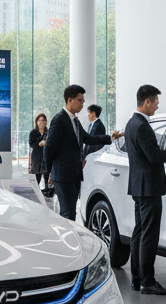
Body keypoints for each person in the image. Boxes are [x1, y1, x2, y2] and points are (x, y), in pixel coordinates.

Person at [124, 84, 166, 295]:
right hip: (149, 188)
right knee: (148, 235)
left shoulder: (131, 123)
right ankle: (148, 282)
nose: (158, 106)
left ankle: (137, 279)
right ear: (147, 101)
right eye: (156, 102)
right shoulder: (142, 126)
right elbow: (154, 156)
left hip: (139, 186)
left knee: (139, 233)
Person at [43, 84, 122, 222]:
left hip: (73, 174)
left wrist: (110, 138)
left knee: (70, 213)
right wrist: (49, 171)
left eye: (83, 100)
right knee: (67, 214)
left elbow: (88, 138)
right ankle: (65, 236)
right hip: (62, 175)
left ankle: (68, 235)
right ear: (70, 100)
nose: (82, 103)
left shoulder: (74, 120)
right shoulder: (59, 119)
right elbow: (49, 147)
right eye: (79, 100)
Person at [29, 113, 53, 195]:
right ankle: (35, 193)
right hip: (36, 158)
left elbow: (52, 144)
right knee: (37, 176)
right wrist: (39, 143)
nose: (41, 122)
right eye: (39, 121)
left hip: (46, 157)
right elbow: (31, 144)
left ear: (46, 122)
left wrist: (46, 143)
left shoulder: (49, 132)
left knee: (46, 175)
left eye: (43, 121)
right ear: (36, 122)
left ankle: (46, 192)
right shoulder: (33, 132)